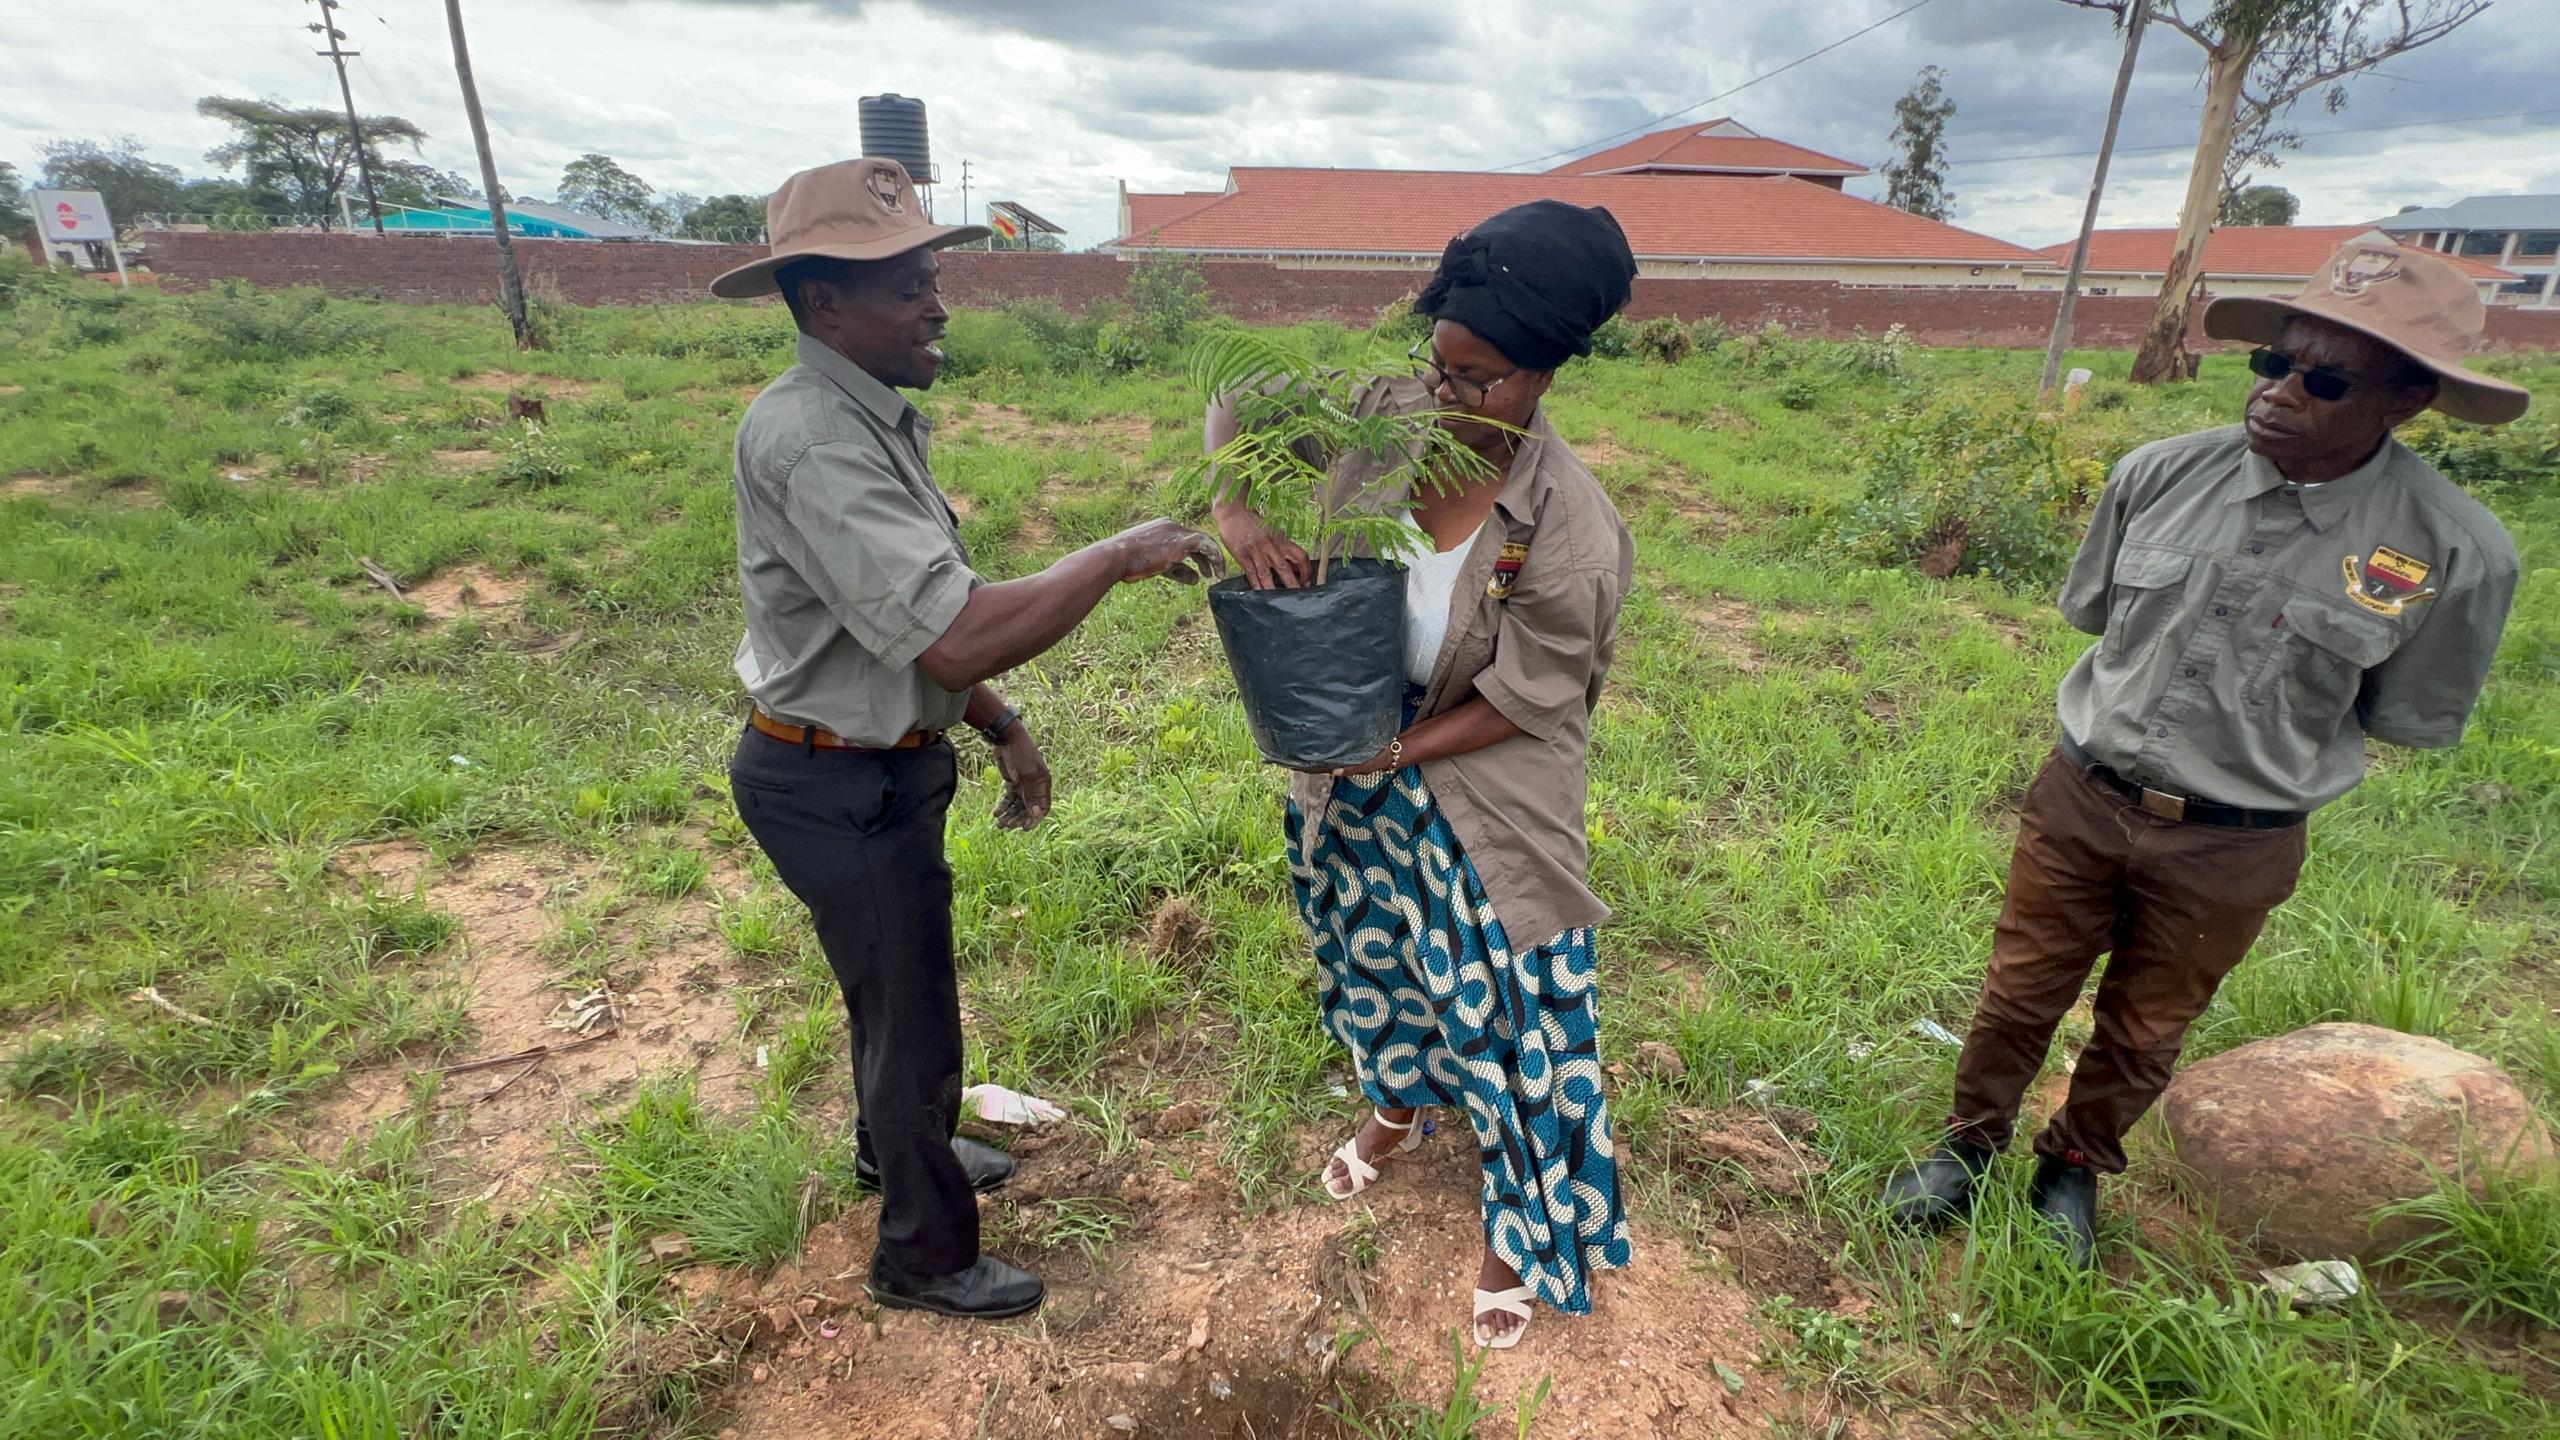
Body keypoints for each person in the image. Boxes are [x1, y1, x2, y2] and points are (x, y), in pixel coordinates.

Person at [1881, 238, 2530, 1268]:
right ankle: (1967, 1147)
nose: (2279, 393)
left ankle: (2074, 1166)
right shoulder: (2158, 475)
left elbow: (2404, 709)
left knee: (2147, 1026)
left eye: (2325, 381)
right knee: (2019, 991)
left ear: (2405, 400)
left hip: (2236, 841)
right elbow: (2099, 617)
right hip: (2084, 797)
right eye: (2273, 363)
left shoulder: (2455, 552)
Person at [709, 158, 1222, 1320]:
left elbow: (891, 625)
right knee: (911, 1017)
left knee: (892, 994)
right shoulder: (815, 442)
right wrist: (1116, 554)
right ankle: (923, 1254)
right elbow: (951, 635)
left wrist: (1000, 723)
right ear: (823, 302)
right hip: (837, 782)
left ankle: (891, 1152)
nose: (936, 305)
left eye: (931, 278)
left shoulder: (861, 416)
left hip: (863, 762)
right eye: (906, 286)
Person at [1209, 201, 1641, 1348]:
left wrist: (1396, 751)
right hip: (1362, 738)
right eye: (1437, 363)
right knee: (1373, 949)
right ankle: (1398, 1105)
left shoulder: (1567, 525)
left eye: (1476, 377)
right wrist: (1237, 507)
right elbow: (1236, 400)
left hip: (1486, 769)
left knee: (1515, 1007)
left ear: (1541, 373)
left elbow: (1528, 699)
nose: (1444, 394)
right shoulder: (1384, 413)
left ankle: (1521, 1224)